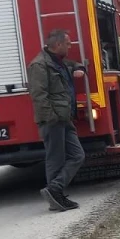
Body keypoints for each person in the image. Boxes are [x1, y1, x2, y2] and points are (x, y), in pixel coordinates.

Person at [28, 30, 85, 212]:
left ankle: (55, 188)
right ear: (58, 45)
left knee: (78, 155)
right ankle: (56, 196)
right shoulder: (40, 65)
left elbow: (73, 64)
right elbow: (39, 95)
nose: (70, 47)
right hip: (52, 120)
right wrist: (51, 118)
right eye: (67, 44)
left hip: (65, 117)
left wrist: (79, 68)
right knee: (55, 159)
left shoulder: (58, 62)